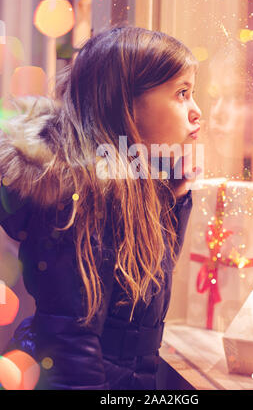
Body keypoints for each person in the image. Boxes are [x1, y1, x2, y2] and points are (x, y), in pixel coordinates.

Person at [0, 25, 202, 390]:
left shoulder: (135, 182)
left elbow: (145, 287)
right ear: (126, 104)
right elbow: (71, 341)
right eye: (182, 93)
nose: (196, 111)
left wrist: (175, 196)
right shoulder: (83, 199)